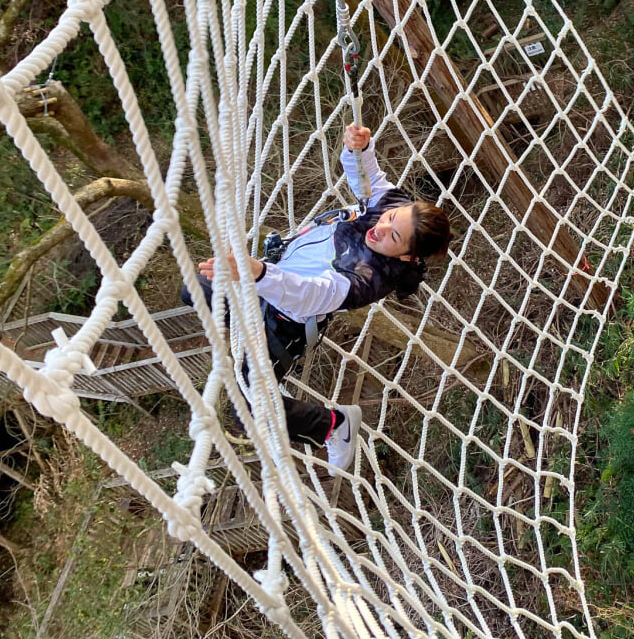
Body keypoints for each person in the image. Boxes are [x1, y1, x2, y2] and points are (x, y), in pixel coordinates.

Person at [184, 123, 452, 474]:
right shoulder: (394, 209)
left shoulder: (368, 278)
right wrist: (360, 149)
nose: (381, 228)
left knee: (247, 411)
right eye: (388, 219)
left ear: (405, 256)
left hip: (281, 323)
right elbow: (370, 179)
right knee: (195, 288)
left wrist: (259, 274)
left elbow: (309, 296)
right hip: (262, 287)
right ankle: (242, 337)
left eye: (393, 236)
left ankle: (334, 426)